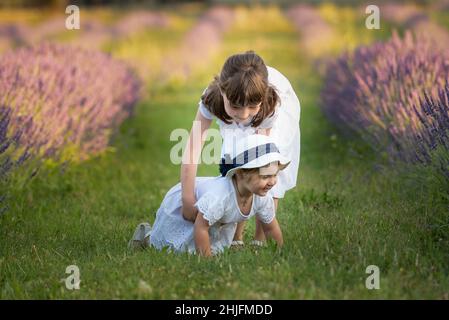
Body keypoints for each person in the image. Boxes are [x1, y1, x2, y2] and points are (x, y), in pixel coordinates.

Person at [181, 50, 301, 245]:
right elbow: (193, 147)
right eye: (235, 106)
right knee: (234, 161)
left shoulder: (270, 102)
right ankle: (236, 237)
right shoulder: (212, 98)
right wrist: (187, 197)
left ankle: (260, 239)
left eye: (251, 106)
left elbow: (262, 159)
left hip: (272, 115)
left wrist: (252, 110)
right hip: (244, 99)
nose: (244, 115)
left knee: (267, 171)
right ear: (222, 92)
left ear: (260, 100)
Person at [129, 135, 289, 256]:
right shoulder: (220, 196)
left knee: (215, 248)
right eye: (265, 176)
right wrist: (206, 260)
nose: (272, 182)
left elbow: (270, 228)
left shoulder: (262, 197)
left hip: (211, 219)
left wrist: (280, 253)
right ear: (240, 173)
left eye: (275, 175)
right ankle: (147, 237)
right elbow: (201, 227)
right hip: (186, 209)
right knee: (174, 249)